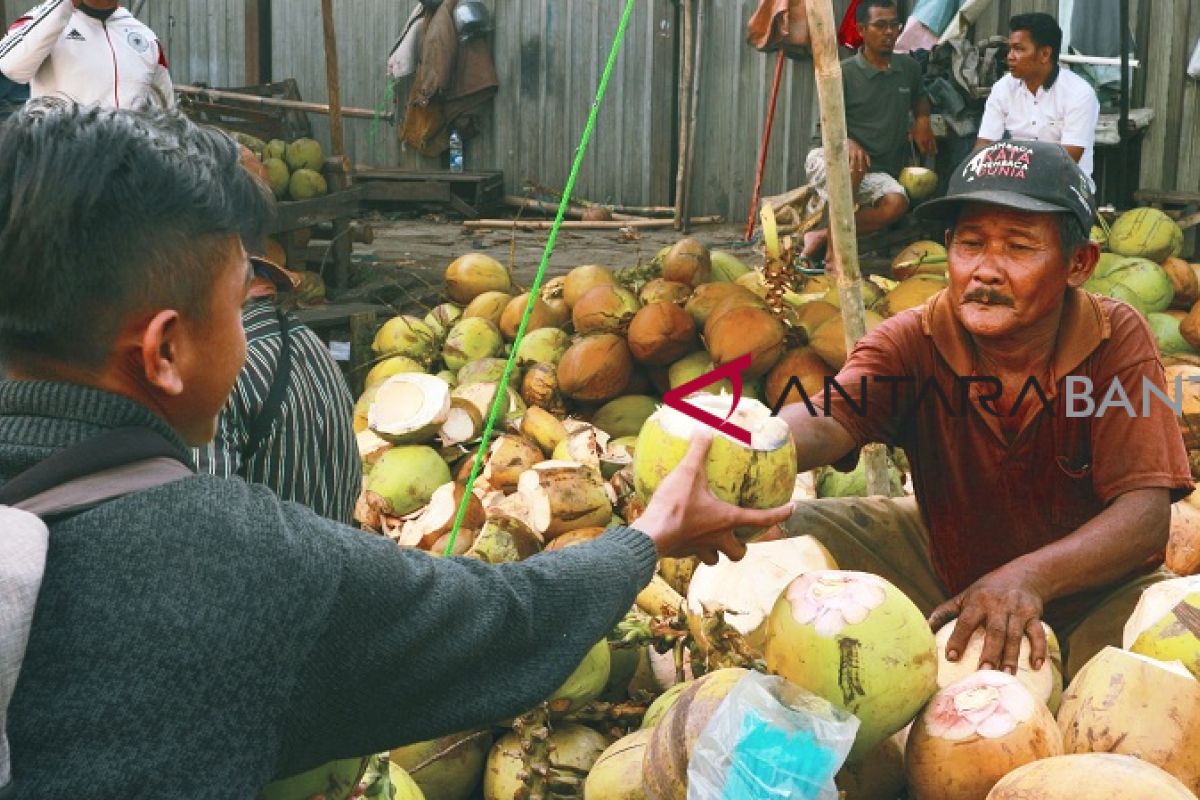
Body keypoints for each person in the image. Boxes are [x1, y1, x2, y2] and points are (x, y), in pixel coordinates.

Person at [0, 102, 794, 798]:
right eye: (240, 305)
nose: (251, 332)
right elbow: (500, 625)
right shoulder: (227, 557)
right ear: (165, 352)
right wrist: (644, 540)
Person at [776, 139, 1192, 682]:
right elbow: (830, 415)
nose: (985, 271)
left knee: (1159, 663)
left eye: (1018, 248)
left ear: (1079, 263)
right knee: (781, 529)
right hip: (948, 564)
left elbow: (1144, 517)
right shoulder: (916, 336)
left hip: (1094, 594)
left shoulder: (1114, 339)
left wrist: (1030, 578)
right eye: (969, 244)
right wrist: (754, 441)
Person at [191, 255, 362, 525]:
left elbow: (208, 519)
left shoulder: (220, 367)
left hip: (273, 561)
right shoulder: (312, 343)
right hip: (332, 550)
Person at [801, 0, 937, 267]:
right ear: (862, 29)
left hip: (875, 169)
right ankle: (834, 259)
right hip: (828, 156)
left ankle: (823, 235)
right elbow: (829, 123)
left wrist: (922, 119)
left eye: (894, 25)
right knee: (852, 162)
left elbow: (920, 97)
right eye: (880, 25)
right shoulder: (843, 73)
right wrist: (845, 141)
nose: (889, 32)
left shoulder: (908, 68)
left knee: (897, 203)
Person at [975, 13, 1101, 189]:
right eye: (1010, 49)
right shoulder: (1002, 88)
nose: (1010, 56)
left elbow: (1068, 161)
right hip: (1014, 183)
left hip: (1066, 187)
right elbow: (983, 147)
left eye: (1019, 49)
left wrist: (1013, 167)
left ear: (1044, 54)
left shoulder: (1080, 94)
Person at [0, 0, 174, 111]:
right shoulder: (42, 20)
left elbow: (167, 110)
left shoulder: (147, 38)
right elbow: (10, 67)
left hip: (126, 162)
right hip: (62, 160)